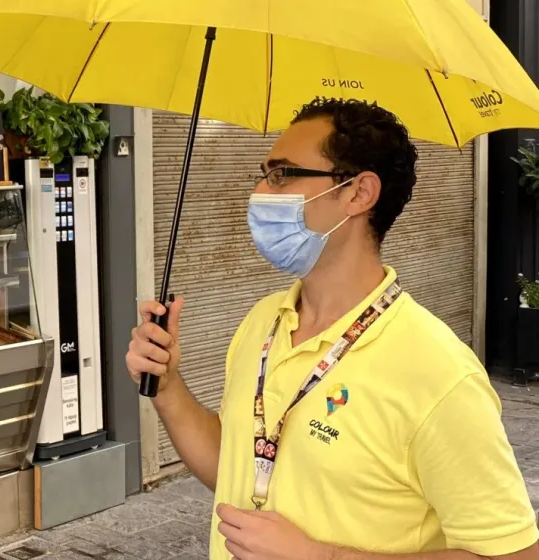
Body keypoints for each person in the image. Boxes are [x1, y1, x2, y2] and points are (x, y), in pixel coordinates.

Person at [126, 98, 539, 560]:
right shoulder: (264, 321)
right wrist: (167, 387)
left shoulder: (438, 373)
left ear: (359, 193)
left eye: (282, 174)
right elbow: (237, 464)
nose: (260, 191)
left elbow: (513, 555)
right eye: (263, 173)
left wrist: (322, 557)